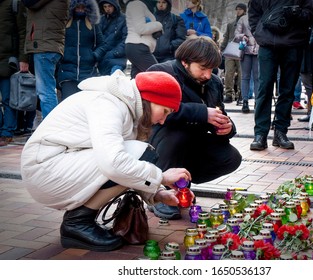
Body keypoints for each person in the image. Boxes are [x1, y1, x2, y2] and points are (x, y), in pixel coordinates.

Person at [20, 70, 193, 252]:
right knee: (135, 155)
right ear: (148, 99)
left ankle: (79, 220)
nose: (163, 120)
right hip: (44, 169)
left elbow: (125, 164)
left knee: (135, 155)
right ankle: (77, 223)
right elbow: (114, 163)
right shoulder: (107, 103)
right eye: (164, 111)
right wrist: (162, 178)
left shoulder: (126, 106)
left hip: (57, 164)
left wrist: (157, 194)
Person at [146, 36, 242, 220]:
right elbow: (153, 112)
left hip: (193, 141)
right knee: (178, 135)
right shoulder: (161, 72)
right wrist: (201, 113)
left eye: (211, 69)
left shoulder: (213, 82)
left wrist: (226, 128)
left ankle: (182, 183)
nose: (207, 75)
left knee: (231, 157)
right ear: (185, 62)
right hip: (159, 141)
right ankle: (161, 193)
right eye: (202, 68)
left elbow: (218, 112)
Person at [248, 0, 313, 151]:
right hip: (267, 43)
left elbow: (311, 13)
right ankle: (260, 134)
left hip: (293, 43)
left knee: (288, 89)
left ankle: (280, 132)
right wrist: (258, 32)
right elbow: (253, 12)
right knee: (264, 88)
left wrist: (297, 13)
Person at [23, 0, 69, 119]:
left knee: (45, 91)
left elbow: (29, 2)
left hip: (45, 45)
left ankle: (51, 127)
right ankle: (52, 125)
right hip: (50, 45)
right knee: (48, 89)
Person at [58, 0, 108, 100]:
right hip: (67, 73)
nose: (80, 10)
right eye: (77, 7)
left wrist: (94, 56)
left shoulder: (93, 25)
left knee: (86, 105)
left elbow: (102, 45)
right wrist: (62, 55)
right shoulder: (64, 24)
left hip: (88, 73)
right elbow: (57, 41)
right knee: (68, 105)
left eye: (83, 8)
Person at [0, 0, 29, 146]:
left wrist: (23, 58)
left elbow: (23, 31)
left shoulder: (14, 3)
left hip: (8, 60)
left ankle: (7, 133)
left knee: (8, 99)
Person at [123, 0, 163, 78]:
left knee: (137, 79)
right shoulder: (136, 4)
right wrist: (158, 25)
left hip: (137, 46)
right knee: (158, 75)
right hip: (138, 46)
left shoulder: (139, 5)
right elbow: (140, 29)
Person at [220, 3, 246, 104]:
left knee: (242, 74)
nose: (238, 11)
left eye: (240, 9)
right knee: (228, 73)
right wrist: (222, 48)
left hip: (243, 50)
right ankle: (229, 94)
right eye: (237, 9)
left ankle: (241, 95)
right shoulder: (231, 24)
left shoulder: (247, 23)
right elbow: (226, 37)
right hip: (230, 50)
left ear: (244, 10)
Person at [235, 13, 259, 114]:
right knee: (245, 77)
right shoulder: (243, 18)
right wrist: (243, 36)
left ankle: (258, 101)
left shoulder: (262, 16)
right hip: (245, 51)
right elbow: (236, 34)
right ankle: (245, 101)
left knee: (258, 77)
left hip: (259, 50)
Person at [97, 0, 128, 75]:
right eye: (105, 6)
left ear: (114, 6)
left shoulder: (124, 19)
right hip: (103, 58)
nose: (107, 9)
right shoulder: (101, 20)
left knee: (115, 81)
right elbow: (97, 39)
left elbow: (126, 39)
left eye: (110, 6)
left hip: (117, 58)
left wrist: (116, 53)